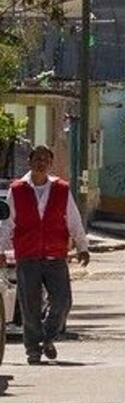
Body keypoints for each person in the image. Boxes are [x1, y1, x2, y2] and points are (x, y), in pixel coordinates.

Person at [0, 145, 90, 365]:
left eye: (45, 159)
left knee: (63, 301)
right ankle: (33, 348)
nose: (41, 163)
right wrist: (1, 249)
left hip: (55, 254)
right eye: (37, 159)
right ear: (30, 162)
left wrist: (82, 245)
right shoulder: (18, 189)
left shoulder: (61, 188)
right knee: (29, 305)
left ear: (50, 164)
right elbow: (7, 223)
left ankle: (48, 336)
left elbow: (73, 219)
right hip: (27, 255)